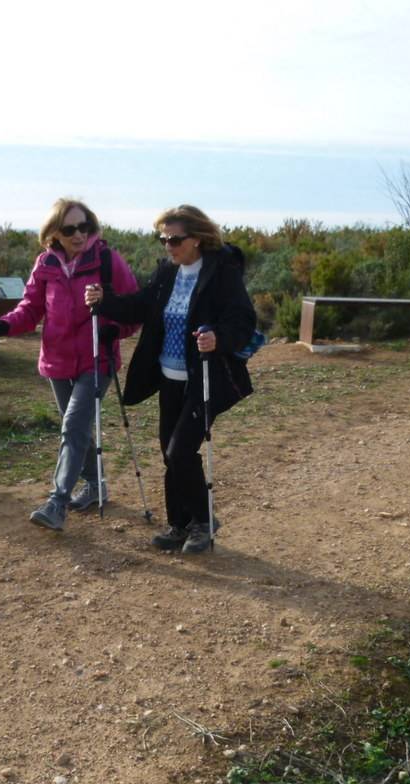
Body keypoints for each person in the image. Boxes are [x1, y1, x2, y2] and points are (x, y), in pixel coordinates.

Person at [84, 205, 256, 554]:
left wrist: (218, 339)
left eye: (174, 239)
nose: (168, 245)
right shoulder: (168, 271)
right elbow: (141, 305)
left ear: (196, 238)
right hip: (169, 377)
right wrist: (106, 302)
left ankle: (205, 522)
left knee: (180, 451)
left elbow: (243, 320)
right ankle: (179, 525)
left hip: (205, 378)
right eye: (163, 238)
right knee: (169, 453)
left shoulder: (222, 271)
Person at [0, 198, 138, 531]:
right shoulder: (46, 264)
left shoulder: (108, 261)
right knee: (78, 429)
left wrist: (117, 329)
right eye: (70, 229)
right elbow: (30, 308)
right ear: (55, 232)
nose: (79, 234)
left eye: (84, 226)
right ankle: (97, 486)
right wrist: (5, 324)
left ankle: (57, 504)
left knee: (72, 426)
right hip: (56, 362)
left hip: (97, 360)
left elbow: (133, 308)